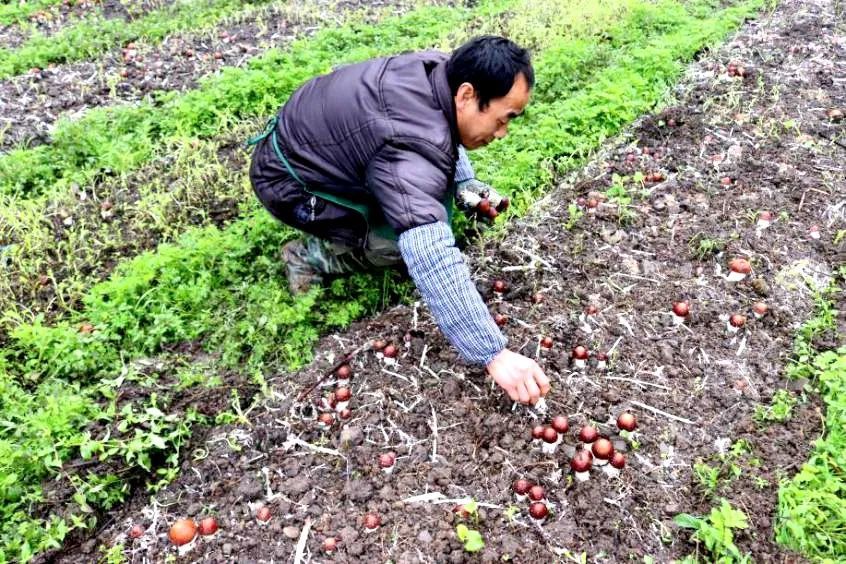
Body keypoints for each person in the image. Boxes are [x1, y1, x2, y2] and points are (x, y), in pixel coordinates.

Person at [247, 36, 550, 405]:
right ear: (468, 95)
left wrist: (464, 182)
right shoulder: (408, 141)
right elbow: (430, 253)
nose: (502, 133)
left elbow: (440, 133)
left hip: (319, 140)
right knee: (399, 245)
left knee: (426, 197)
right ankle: (310, 256)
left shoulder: (441, 70)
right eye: (503, 119)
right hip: (290, 182)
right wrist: (494, 354)